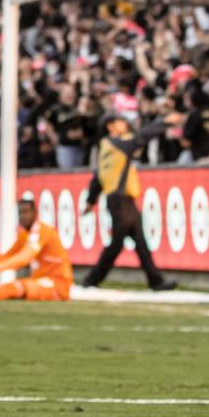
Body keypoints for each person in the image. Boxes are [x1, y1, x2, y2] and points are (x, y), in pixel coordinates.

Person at [80, 113, 177, 291]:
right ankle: (91, 280)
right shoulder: (118, 144)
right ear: (110, 126)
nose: (124, 124)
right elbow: (140, 138)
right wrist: (163, 122)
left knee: (139, 242)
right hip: (120, 201)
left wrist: (90, 201)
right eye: (120, 121)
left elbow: (97, 177)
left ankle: (155, 280)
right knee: (117, 244)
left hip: (121, 200)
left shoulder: (104, 147)